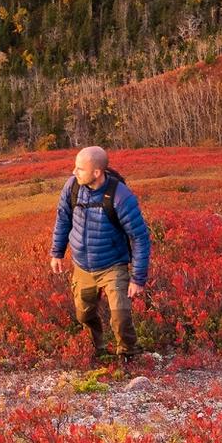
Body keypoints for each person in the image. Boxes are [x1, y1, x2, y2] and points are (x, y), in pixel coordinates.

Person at [50, 145, 151, 362]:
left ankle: (128, 355)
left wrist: (138, 278)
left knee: (120, 316)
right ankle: (98, 348)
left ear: (96, 172)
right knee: (84, 314)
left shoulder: (121, 197)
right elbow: (63, 219)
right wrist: (57, 253)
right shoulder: (72, 187)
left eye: (79, 169)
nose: (74, 172)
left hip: (113, 265)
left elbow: (140, 237)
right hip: (82, 266)